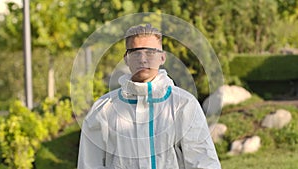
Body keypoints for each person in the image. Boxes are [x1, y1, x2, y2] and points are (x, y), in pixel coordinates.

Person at [77, 23, 221, 169]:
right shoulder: (104, 109)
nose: (143, 59)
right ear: (126, 58)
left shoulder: (183, 104)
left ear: (162, 57)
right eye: (135, 52)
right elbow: (88, 164)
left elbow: (203, 162)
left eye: (150, 52)